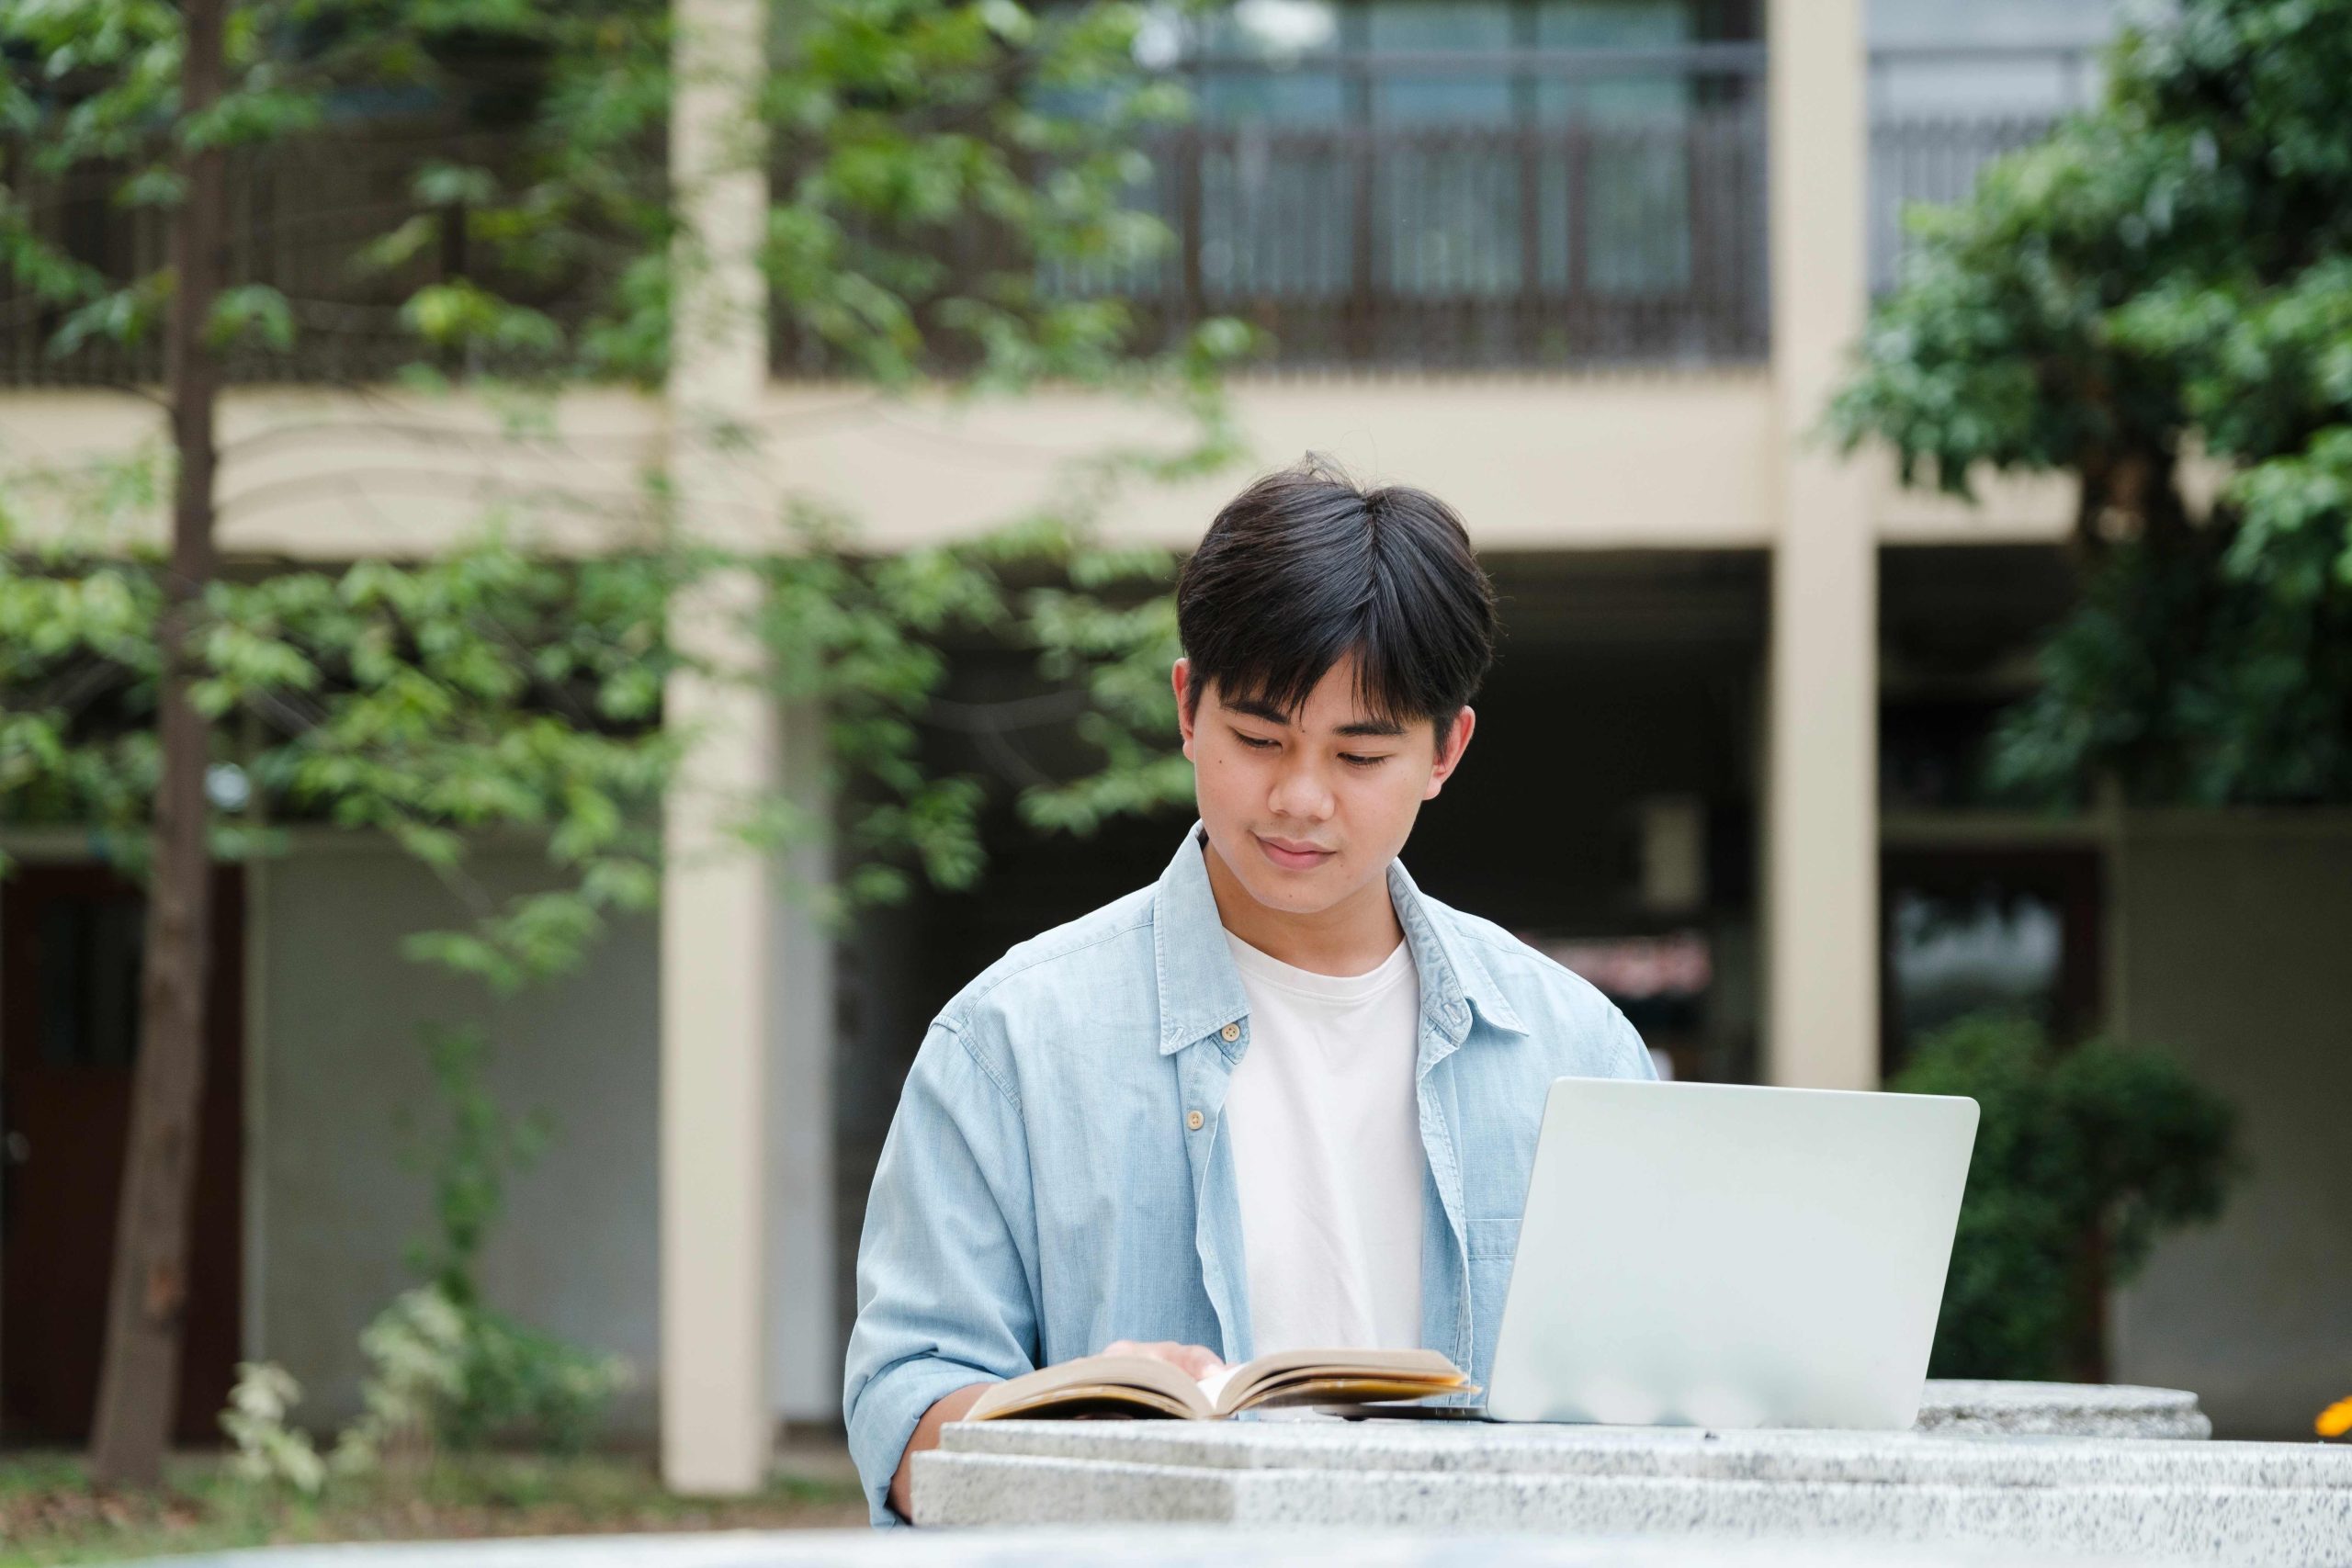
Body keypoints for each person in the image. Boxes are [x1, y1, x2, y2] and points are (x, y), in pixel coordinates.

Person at [842, 460, 1657, 1524]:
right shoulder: (1011, 1039)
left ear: (1446, 750)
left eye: (1361, 755)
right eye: (1259, 740)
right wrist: (1055, 1429)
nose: (1299, 799)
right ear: (1188, 709)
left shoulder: (1571, 1045)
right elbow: (901, 1413)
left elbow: (1660, 1407)